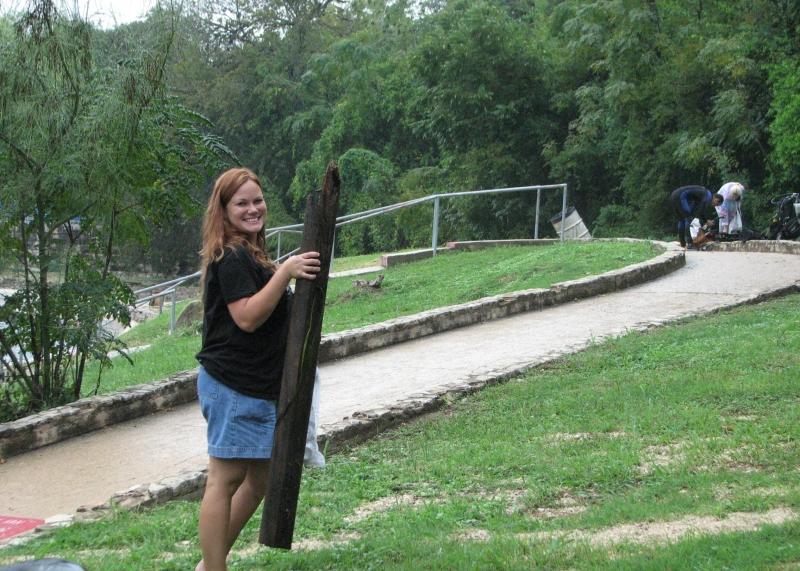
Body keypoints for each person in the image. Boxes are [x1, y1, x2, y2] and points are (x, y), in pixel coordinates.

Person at [194, 167, 321, 571]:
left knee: (262, 476)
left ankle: (208, 563)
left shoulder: (251, 252)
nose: (253, 209)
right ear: (224, 210)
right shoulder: (230, 256)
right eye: (241, 203)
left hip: (256, 387)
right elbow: (247, 317)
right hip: (232, 385)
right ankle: (214, 567)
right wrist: (284, 273)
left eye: (257, 200)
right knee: (225, 479)